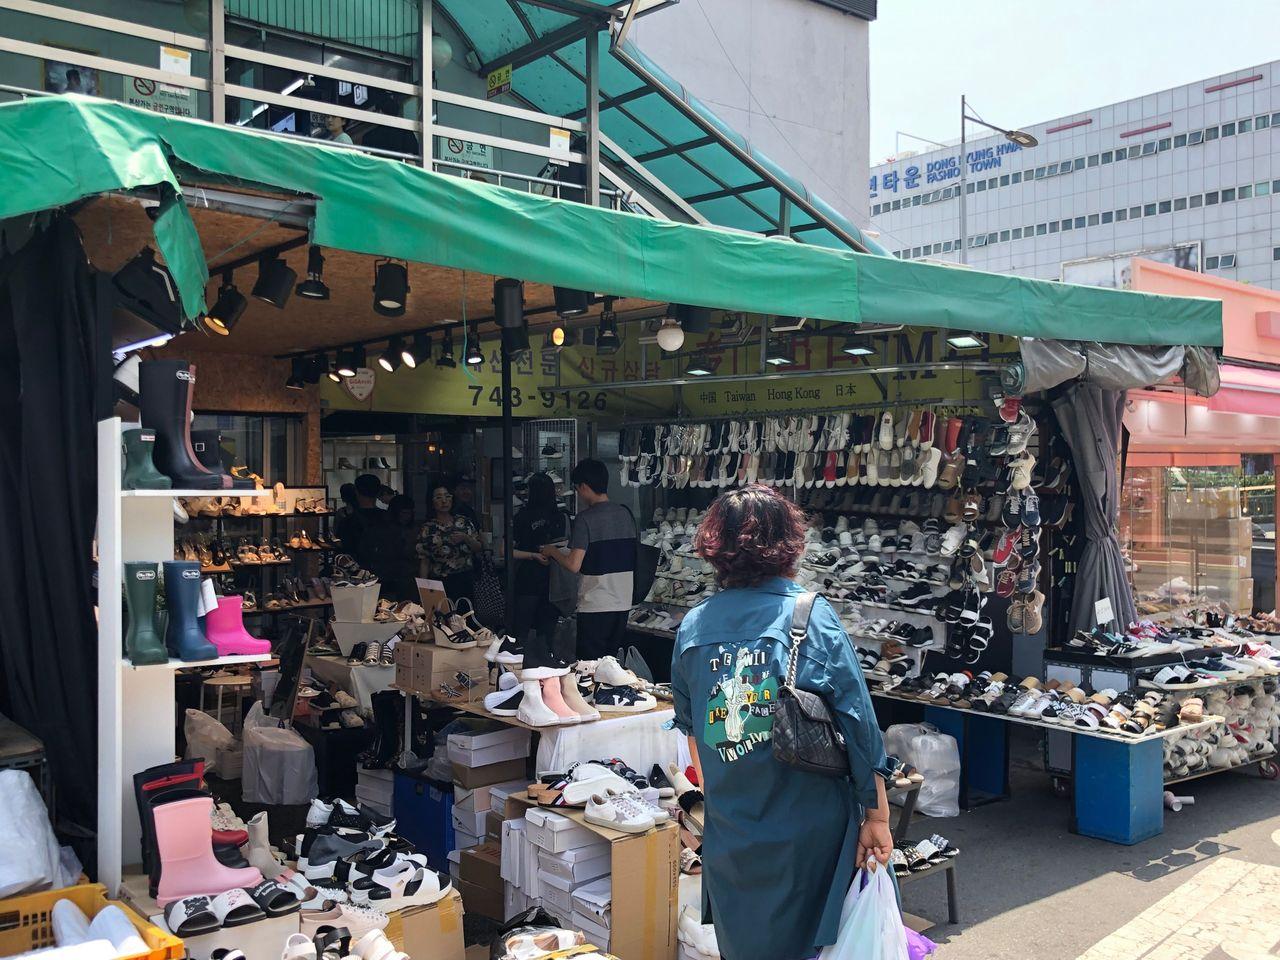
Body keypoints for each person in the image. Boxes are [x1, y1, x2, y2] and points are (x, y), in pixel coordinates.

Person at [670, 484, 894, 960]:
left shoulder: (693, 625)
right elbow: (859, 725)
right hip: (807, 826)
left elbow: (694, 735)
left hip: (733, 828)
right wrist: (876, 815)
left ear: (715, 548)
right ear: (790, 544)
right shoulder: (810, 615)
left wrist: (728, 796)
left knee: (745, 946)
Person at [541, 459, 635, 661]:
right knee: (612, 667)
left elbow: (573, 565)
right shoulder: (626, 514)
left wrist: (552, 551)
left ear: (584, 486)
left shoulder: (585, 519)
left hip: (596, 603)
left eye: (577, 488)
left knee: (589, 669)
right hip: (623, 601)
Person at [512, 473, 568, 655]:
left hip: (527, 580)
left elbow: (506, 551)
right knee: (547, 634)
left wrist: (532, 556)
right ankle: (547, 667)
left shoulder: (521, 517)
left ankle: (517, 666)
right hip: (554, 583)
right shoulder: (560, 517)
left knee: (520, 632)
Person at [416, 484, 482, 600]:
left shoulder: (463, 522)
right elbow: (424, 560)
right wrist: (424, 587)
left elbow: (479, 547)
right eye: (439, 497)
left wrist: (466, 538)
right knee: (442, 615)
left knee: (465, 614)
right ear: (432, 502)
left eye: (447, 496)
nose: (444, 501)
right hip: (438, 580)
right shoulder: (428, 528)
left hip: (464, 578)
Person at [384, 494, 419, 601]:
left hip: (410, 577)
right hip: (390, 577)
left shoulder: (416, 530)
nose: (407, 516)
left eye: (410, 513)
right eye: (404, 513)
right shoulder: (385, 531)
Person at [333, 482, 360, 551]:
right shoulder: (362, 511)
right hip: (361, 549)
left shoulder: (341, 513)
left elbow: (335, 532)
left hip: (344, 548)